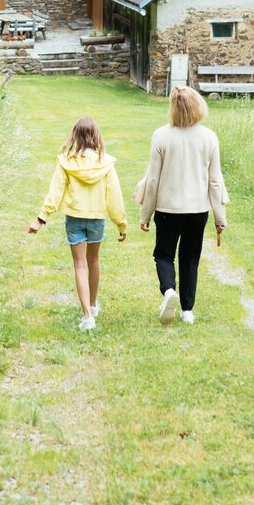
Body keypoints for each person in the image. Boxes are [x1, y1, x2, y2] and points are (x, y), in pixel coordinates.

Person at [28, 117, 127, 331]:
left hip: (74, 219)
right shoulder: (105, 163)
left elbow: (55, 192)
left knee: (80, 265)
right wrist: (121, 223)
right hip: (96, 220)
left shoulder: (66, 162)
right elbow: (114, 197)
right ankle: (92, 304)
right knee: (93, 260)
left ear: (75, 136)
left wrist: (41, 218)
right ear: (96, 136)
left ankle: (87, 316)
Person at [139, 86, 227, 324]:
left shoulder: (161, 135)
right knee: (190, 257)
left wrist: (145, 214)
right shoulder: (209, 137)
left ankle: (169, 291)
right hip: (198, 210)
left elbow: (153, 180)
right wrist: (220, 217)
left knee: (164, 254)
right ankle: (187, 310)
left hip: (168, 209)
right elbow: (215, 181)